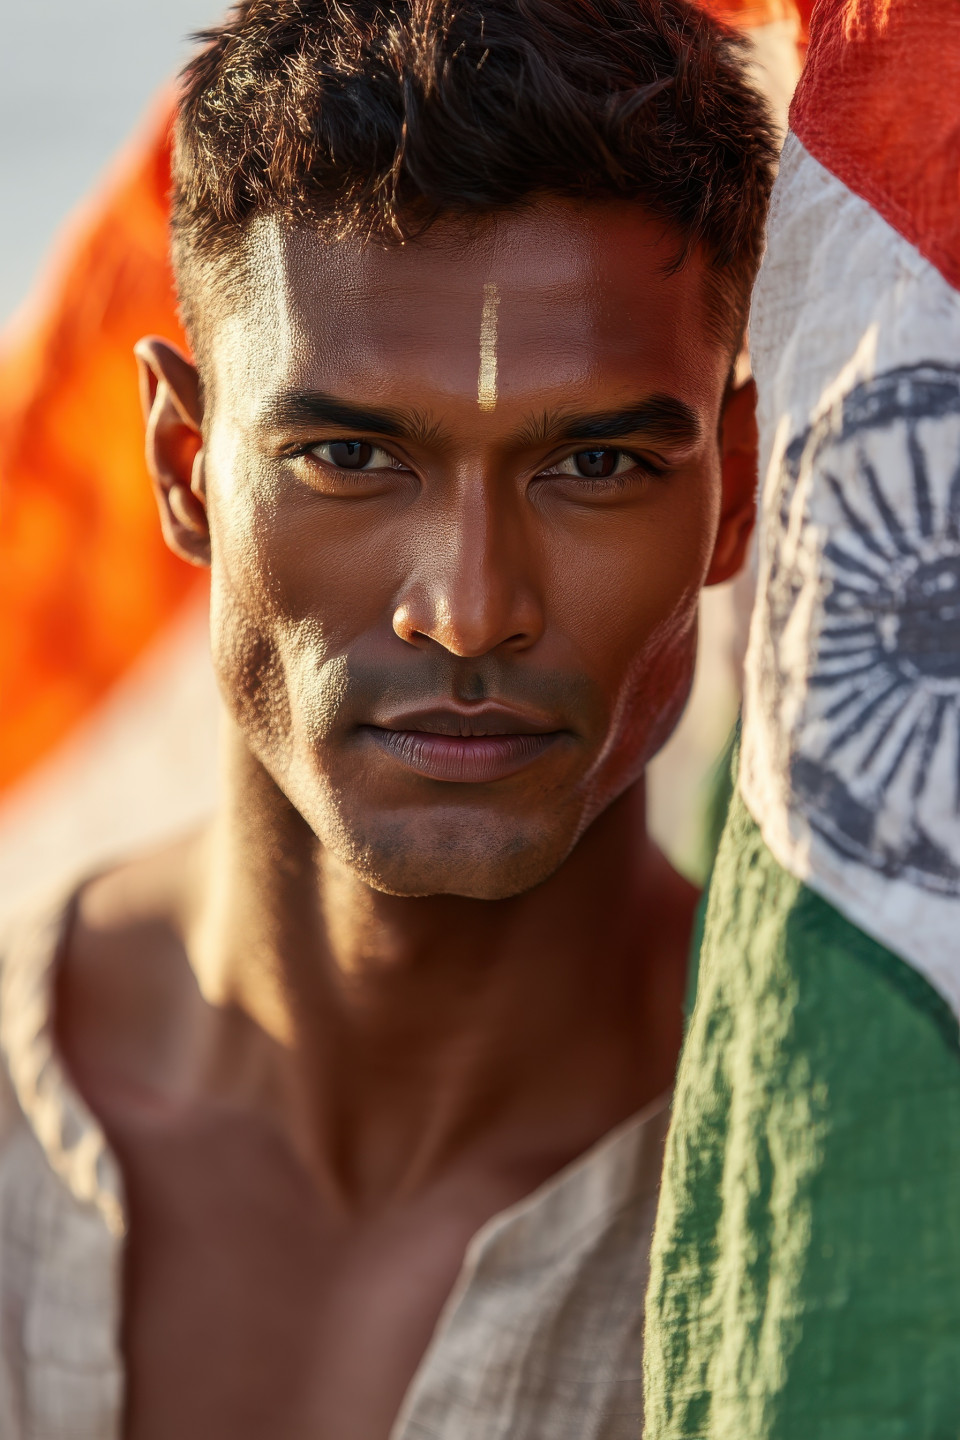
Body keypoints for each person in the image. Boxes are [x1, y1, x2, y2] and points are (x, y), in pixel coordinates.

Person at [0, 1, 775, 1435]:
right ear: (183, 464)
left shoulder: (862, 1199)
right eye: (348, 455)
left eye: (596, 465)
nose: (469, 612)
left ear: (734, 484)